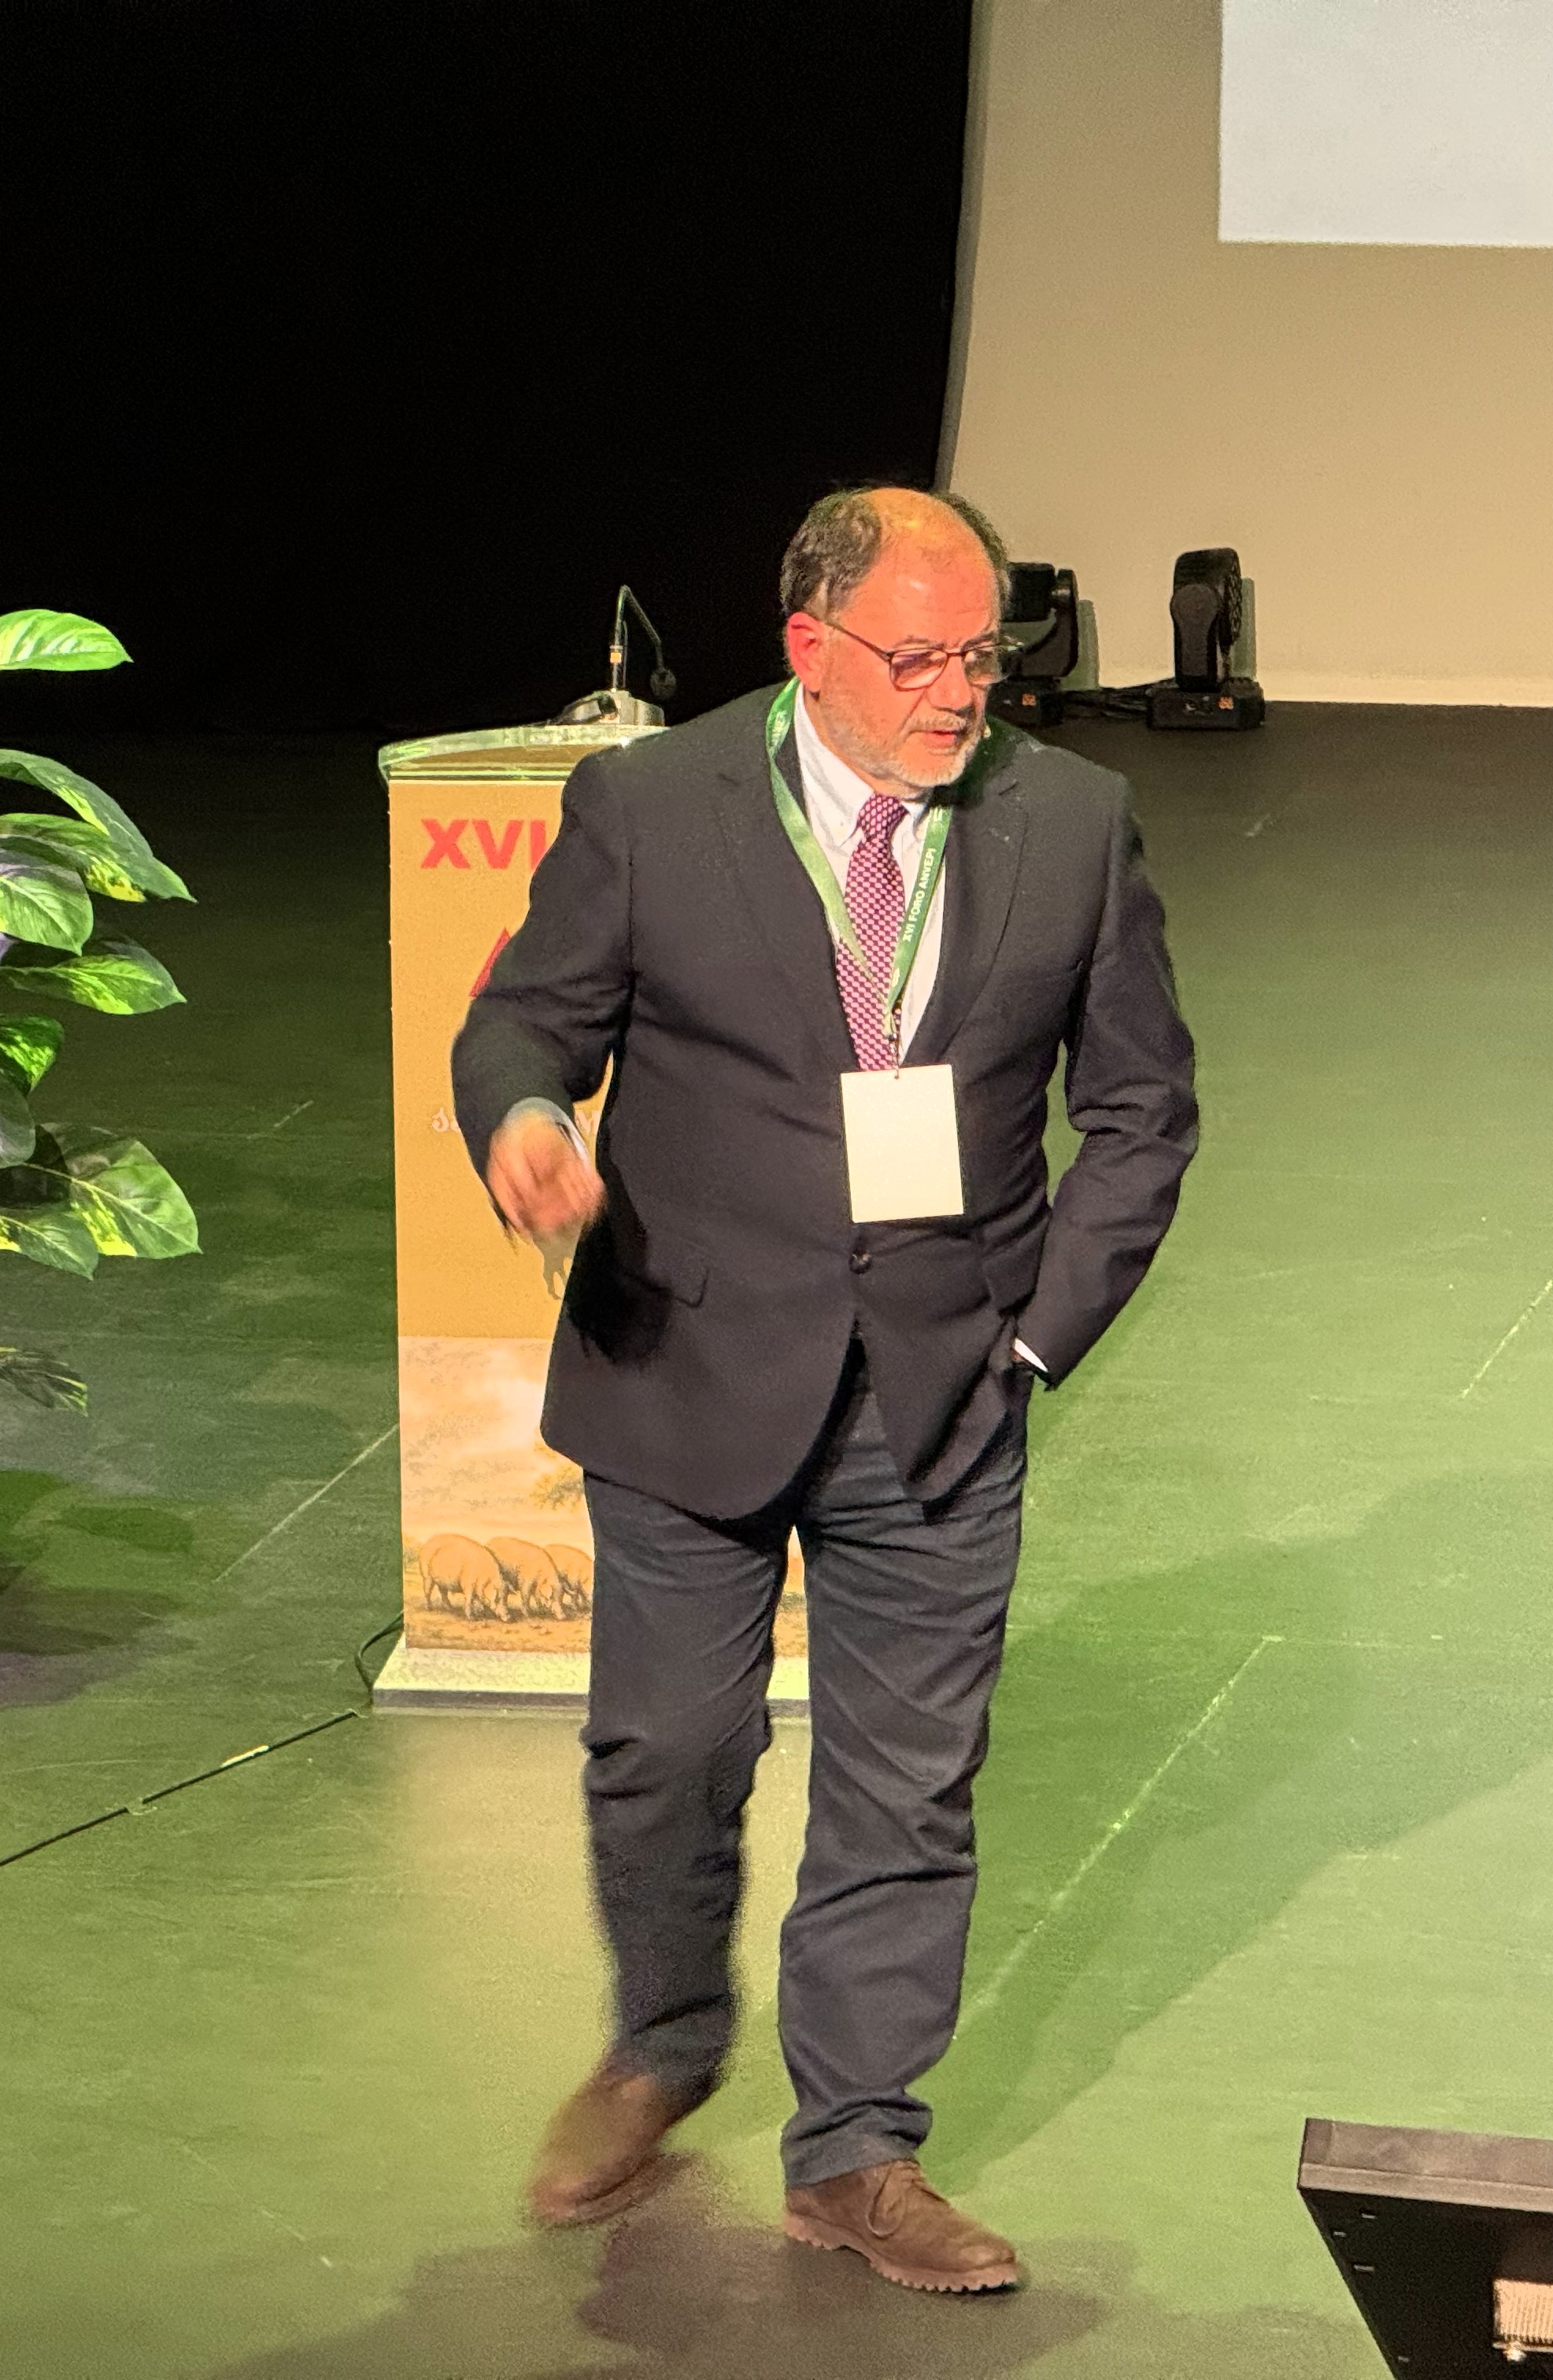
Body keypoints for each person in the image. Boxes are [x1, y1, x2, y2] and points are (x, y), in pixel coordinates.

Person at [450, 486, 1197, 2293]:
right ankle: (663, 2041)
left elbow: (1141, 1108)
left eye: (983, 656)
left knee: (907, 1787)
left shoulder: (1071, 820)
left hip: (943, 1384)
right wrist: (530, 1121)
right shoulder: (652, 806)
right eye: (919, 659)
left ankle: (859, 2149)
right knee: (669, 1750)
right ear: (810, 647)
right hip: (687, 1357)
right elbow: (525, 1019)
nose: (961, 694)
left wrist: (1036, 1336)